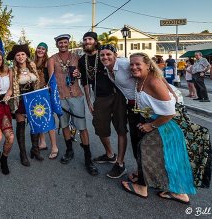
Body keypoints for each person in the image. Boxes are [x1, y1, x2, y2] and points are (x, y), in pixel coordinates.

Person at [121, 52, 196, 204]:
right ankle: (176, 191)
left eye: (138, 64)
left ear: (148, 65)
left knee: (146, 149)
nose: (134, 67)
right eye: (132, 64)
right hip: (156, 121)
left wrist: (150, 125)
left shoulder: (154, 82)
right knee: (162, 156)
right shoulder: (140, 79)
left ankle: (142, 187)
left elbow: (169, 113)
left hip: (166, 125)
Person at [47, 34, 98, 176]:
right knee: (64, 125)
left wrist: (78, 74)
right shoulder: (51, 59)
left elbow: (83, 74)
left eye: (65, 42)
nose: (63, 44)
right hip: (61, 97)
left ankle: (88, 158)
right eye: (60, 43)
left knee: (82, 127)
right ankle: (69, 150)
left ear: (68, 43)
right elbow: (51, 80)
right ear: (57, 45)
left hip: (76, 95)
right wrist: (53, 97)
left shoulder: (77, 57)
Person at [78, 34, 127, 178]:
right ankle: (110, 154)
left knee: (121, 128)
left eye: (90, 39)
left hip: (117, 95)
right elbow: (85, 83)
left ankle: (120, 163)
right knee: (100, 127)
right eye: (85, 40)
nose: (87, 42)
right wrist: (89, 102)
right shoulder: (83, 60)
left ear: (95, 41)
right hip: (100, 97)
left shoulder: (105, 54)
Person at [99, 44, 140, 181]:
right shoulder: (107, 68)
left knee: (142, 140)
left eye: (108, 54)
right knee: (136, 139)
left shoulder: (124, 64)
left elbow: (148, 71)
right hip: (131, 105)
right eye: (102, 55)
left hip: (142, 105)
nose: (105, 57)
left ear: (115, 55)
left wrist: (169, 91)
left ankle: (141, 173)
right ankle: (125, 165)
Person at [7, 44, 43, 166]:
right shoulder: (13, 70)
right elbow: (11, 88)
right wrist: (8, 95)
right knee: (21, 126)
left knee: (35, 125)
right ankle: (23, 154)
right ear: (15, 58)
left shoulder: (32, 66)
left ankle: (35, 149)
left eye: (22, 54)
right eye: (18, 55)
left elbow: (37, 82)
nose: (20, 56)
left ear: (26, 55)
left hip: (33, 98)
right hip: (20, 99)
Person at [34, 42, 59, 159]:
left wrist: (49, 89)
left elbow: (51, 77)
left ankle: (54, 146)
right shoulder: (32, 62)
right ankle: (42, 142)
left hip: (45, 93)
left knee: (48, 119)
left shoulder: (48, 61)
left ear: (46, 51)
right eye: (39, 48)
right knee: (39, 117)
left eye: (43, 49)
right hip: (35, 93)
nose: (40, 50)